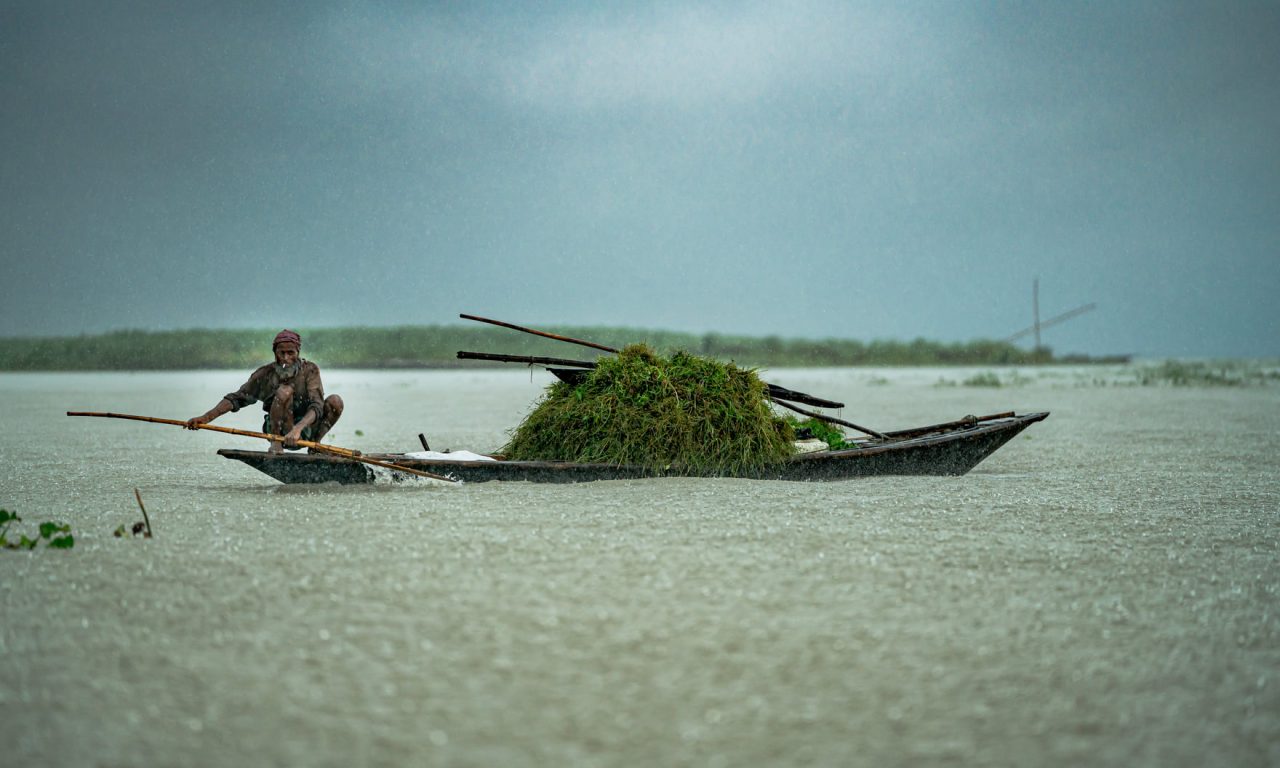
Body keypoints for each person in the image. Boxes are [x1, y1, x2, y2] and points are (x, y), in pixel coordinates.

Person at [186, 329, 343, 453]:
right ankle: (276, 444)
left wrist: (297, 429)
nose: (286, 358)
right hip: (279, 430)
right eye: (282, 353)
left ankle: (315, 446)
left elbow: (317, 406)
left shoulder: (310, 370)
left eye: (291, 353)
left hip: (304, 431)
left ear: (298, 353)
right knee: (284, 391)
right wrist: (206, 417)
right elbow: (236, 399)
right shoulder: (264, 374)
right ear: (275, 353)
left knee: (335, 401)